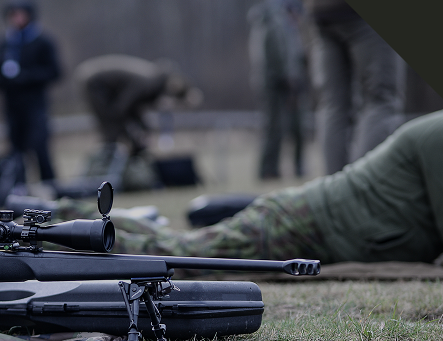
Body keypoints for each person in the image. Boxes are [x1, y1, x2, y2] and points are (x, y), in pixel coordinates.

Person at [99, 112, 443, 265]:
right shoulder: (436, 134)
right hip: (300, 222)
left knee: (176, 246)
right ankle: (66, 223)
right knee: (176, 257)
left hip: (326, 230)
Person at [303, 0, 404, 174]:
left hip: (319, 6)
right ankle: (359, 187)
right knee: (380, 99)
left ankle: (332, 190)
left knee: (333, 104)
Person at [0, 0, 61, 184]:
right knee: (15, 148)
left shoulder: (42, 41)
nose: (17, 19)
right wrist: (4, 79)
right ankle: (18, 188)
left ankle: (50, 184)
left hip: (35, 102)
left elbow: (55, 72)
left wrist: (27, 76)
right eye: (13, 15)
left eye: (21, 14)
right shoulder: (4, 42)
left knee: (39, 145)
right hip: (12, 104)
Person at [74, 54, 199, 156]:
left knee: (119, 129)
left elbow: (132, 108)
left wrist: (143, 130)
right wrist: (136, 135)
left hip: (104, 86)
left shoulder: (151, 82)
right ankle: (107, 170)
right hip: (96, 84)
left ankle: (122, 162)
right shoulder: (146, 84)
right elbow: (122, 107)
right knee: (113, 128)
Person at [248, 0, 307, 179]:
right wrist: (286, 77)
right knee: (273, 128)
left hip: (284, 82)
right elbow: (276, 55)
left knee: (289, 127)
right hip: (275, 83)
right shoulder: (273, 22)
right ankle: (268, 171)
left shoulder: (282, 24)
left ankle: (287, 169)